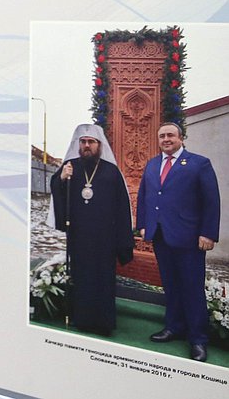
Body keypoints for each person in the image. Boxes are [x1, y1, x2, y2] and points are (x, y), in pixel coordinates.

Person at [136, 122, 220, 362]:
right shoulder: (153, 164)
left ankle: (198, 339)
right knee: (171, 285)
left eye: (170, 135)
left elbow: (211, 201)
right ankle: (174, 327)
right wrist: (143, 224)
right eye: (161, 136)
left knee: (192, 288)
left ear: (181, 137)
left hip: (190, 238)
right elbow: (144, 196)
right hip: (161, 235)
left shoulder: (199, 163)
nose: (166, 139)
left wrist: (208, 233)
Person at [50, 124, 134, 335]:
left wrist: (123, 239)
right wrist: (61, 179)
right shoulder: (70, 167)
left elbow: (122, 206)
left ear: (99, 145)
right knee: (81, 277)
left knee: (103, 278)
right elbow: (57, 191)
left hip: (105, 237)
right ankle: (82, 319)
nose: (87, 146)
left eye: (91, 142)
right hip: (79, 236)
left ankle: (103, 323)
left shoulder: (111, 170)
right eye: (83, 142)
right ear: (78, 144)